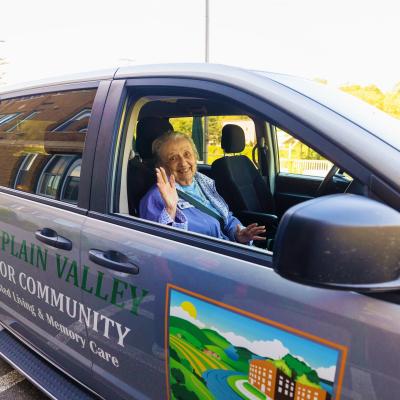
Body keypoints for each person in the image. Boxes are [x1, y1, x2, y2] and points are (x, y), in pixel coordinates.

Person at [139, 132, 266, 244]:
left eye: (187, 154)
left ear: (195, 156)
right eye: (173, 158)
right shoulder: (155, 197)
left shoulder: (202, 182)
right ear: (161, 165)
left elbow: (226, 217)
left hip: (227, 251)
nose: (183, 163)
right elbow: (161, 245)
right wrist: (170, 209)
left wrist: (238, 234)